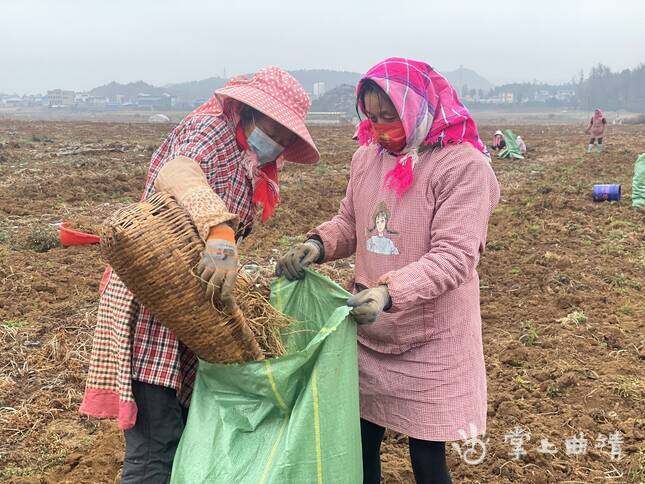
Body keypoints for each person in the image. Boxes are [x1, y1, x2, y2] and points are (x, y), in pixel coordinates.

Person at [80, 67, 319, 483]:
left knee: (185, 433)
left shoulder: (252, 163)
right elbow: (177, 173)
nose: (277, 141)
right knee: (156, 444)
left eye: (286, 135)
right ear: (246, 110)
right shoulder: (210, 130)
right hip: (155, 298)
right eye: (271, 127)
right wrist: (218, 228)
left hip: (192, 301)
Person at [277, 57, 500, 484]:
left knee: (427, 454)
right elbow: (351, 222)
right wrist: (317, 245)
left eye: (390, 116)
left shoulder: (463, 167)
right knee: (360, 439)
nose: (381, 127)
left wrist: (388, 292)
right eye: (373, 117)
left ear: (419, 108)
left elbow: (454, 256)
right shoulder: (367, 159)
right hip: (371, 330)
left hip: (432, 335)